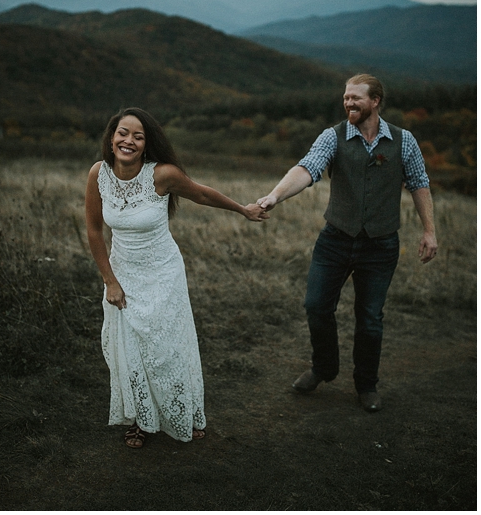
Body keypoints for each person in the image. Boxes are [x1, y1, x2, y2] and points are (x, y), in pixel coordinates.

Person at [85, 108, 268, 448]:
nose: (129, 141)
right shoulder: (99, 174)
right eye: (123, 133)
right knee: (132, 350)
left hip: (163, 272)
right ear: (111, 138)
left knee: (167, 349)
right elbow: (95, 231)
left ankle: (187, 412)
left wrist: (243, 210)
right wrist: (110, 280)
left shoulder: (163, 175)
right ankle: (142, 420)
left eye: (138, 137)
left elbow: (200, 193)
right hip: (122, 272)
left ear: (146, 144)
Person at [257, 74, 437, 412]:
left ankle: (366, 384)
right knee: (316, 307)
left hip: (381, 245)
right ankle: (324, 368)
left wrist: (429, 231)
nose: (349, 103)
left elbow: (419, 183)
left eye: (356, 98)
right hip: (335, 239)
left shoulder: (404, 140)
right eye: (345, 98)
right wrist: (275, 196)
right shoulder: (333, 136)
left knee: (370, 318)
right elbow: (307, 169)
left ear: (375, 101)